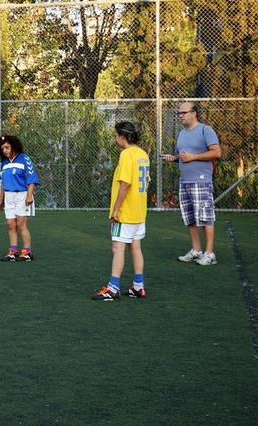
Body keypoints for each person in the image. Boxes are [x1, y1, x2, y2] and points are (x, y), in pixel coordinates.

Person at [92, 122, 150, 301]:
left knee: (118, 248)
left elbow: (125, 184)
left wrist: (116, 210)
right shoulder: (142, 154)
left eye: (116, 135)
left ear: (122, 136)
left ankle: (113, 288)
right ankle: (138, 287)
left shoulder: (126, 154)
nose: (115, 138)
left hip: (126, 211)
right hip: (139, 211)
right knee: (136, 247)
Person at [162, 102, 221, 266]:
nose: (180, 115)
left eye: (183, 112)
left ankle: (210, 254)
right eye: (179, 113)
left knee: (206, 218)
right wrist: (174, 158)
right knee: (190, 219)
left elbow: (217, 152)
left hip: (201, 181)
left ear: (194, 113)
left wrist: (194, 157)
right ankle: (196, 251)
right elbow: (184, 156)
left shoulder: (205, 130)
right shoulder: (181, 133)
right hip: (185, 182)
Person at [0, 135, 39, 262]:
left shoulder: (24, 159)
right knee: (10, 224)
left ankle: (27, 252)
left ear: (13, 146)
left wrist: (29, 195)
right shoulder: (3, 163)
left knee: (21, 224)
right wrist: (0, 200)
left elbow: (32, 179)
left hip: (22, 195)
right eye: (2, 148)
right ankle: (13, 251)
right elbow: (3, 183)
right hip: (9, 196)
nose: (5, 150)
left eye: (7, 147)